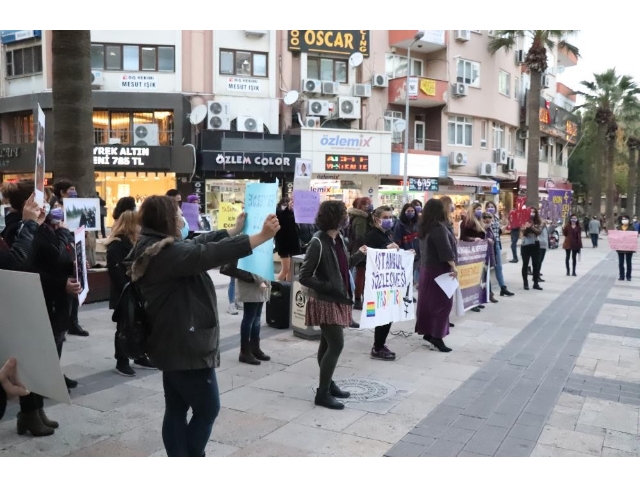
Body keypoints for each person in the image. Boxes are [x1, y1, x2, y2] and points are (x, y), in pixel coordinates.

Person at [124, 195, 280, 457]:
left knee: (175, 407)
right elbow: (206, 253)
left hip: (171, 340)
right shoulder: (167, 254)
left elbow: (198, 242)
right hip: (186, 345)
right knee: (208, 409)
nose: (181, 220)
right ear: (165, 220)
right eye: (177, 215)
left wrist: (231, 231)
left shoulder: (156, 245)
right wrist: (260, 237)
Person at [299, 201, 366, 409]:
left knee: (327, 344)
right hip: (325, 300)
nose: (347, 218)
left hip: (338, 298)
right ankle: (323, 393)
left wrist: (360, 255)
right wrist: (328, 286)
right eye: (344, 214)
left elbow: (343, 267)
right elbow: (304, 276)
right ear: (334, 217)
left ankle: (328, 384)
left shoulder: (339, 240)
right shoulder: (318, 241)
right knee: (337, 344)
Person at [106, 209, 156, 377]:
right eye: (139, 223)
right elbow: (116, 272)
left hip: (138, 292)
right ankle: (122, 361)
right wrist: (129, 288)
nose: (141, 227)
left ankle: (140, 354)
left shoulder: (137, 242)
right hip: (125, 293)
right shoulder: (117, 244)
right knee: (124, 326)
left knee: (140, 325)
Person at [415, 198, 457, 353]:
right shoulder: (438, 227)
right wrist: (453, 266)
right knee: (443, 304)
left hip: (427, 269)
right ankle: (437, 336)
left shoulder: (424, 227)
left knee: (427, 304)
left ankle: (427, 331)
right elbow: (445, 250)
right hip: (440, 270)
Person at [365, 206, 401, 360]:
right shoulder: (372, 234)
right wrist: (386, 248)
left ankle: (381, 344)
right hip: (378, 283)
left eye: (391, 217)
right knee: (382, 315)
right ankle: (378, 346)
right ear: (376, 218)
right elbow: (373, 253)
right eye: (385, 217)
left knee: (388, 314)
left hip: (387, 282)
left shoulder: (387, 233)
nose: (389, 220)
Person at [236, 272, 271, 365]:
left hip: (259, 284)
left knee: (256, 319)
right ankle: (245, 352)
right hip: (253, 285)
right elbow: (251, 265)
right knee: (249, 318)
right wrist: (261, 281)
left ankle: (254, 348)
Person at [460, 203, 490, 310]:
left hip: (479, 253)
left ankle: (477, 299)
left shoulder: (480, 222)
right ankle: (471, 301)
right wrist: (473, 240)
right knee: (472, 278)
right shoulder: (467, 222)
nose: (479, 211)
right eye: (477, 209)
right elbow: (463, 237)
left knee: (478, 277)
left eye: (480, 209)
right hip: (470, 252)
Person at [347, 197, 373, 310]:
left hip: (359, 249)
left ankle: (360, 298)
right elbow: (360, 236)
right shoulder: (361, 219)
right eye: (367, 204)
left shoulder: (360, 218)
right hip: (362, 250)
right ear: (361, 206)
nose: (370, 206)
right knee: (361, 276)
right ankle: (358, 299)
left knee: (361, 275)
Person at [485, 201, 514, 297]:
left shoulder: (496, 218)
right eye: (488, 207)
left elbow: (498, 231)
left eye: (492, 207)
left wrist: (506, 226)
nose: (490, 208)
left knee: (499, 267)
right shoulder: (484, 218)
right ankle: (487, 290)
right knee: (487, 268)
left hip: (496, 244)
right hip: (487, 245)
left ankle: (503, 288)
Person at [275, 197, 301, 281]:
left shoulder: (293, 214)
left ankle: (288, 287)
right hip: (283, 243)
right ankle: (273, 286)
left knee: (291, 269)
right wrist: (287, 210)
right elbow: (281, 218)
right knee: (285, 269)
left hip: (292, 243)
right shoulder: (278, 213)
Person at [394, 203, 420, 286]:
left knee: (411, 275)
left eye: (412, 211)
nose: (411, 212)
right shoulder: (400, 224)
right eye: (408, 211)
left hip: (417, 254)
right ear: (404, 212)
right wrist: (402, 251)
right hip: (405, 253)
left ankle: (409, 295)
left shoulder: (417, 223)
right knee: (406, 276)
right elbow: (397, 239)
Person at [521, 207, 543, 290]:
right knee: (525, 264)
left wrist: (531, 227)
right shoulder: (523, 220)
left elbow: (539, 232)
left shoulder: (538, 222)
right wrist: (526, 227)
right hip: (526, 244)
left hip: (535, 244)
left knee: (536, 264)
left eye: (534, 212)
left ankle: (536, 283)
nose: (532, 213)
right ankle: (525, 283)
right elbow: (524, 233)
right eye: (530, 212)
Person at [616, 215, 636, 281]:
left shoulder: (632, 228)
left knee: (628, 262)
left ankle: (628, 276)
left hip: (629, 248)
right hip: (620, 248)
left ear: (628, 220)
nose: (624, 220)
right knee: (621, 263)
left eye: (625, 219)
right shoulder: (618, 227)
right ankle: (621, 276)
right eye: (623, 219)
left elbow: (634, 238)